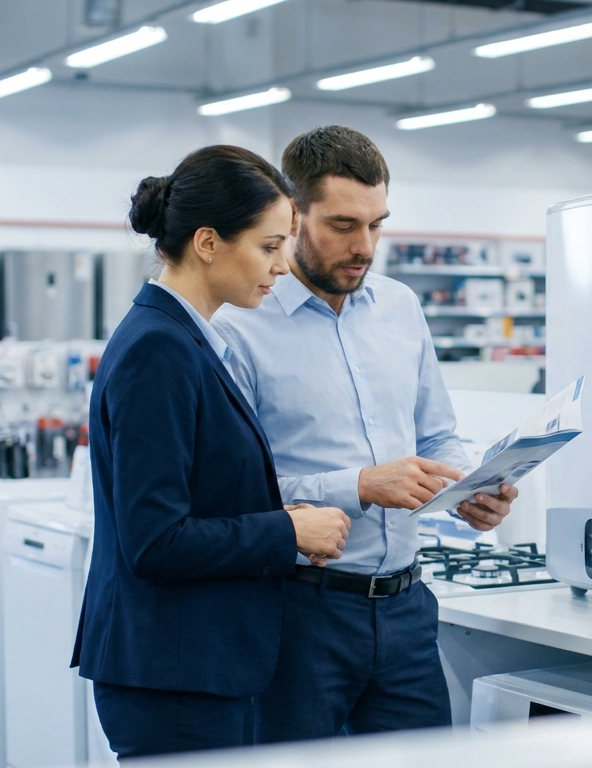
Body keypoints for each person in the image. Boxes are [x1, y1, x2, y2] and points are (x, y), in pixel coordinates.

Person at [213, 126, 517, 741]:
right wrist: (359, 486)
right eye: (344, 226)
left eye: (377, 225)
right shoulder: (237, 325)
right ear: (291, 215)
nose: (365, 246)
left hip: (406, 610)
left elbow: (436, 436)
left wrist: (469, 489)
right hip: (299, 612)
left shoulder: (401, 308)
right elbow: (233, 494)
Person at [73, 145, 352, 758]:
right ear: (207, 242)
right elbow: (156, 540)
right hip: (174, 675)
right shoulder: (159, 350)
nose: (282, 266)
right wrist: (289, 532)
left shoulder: (184, 336)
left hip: (196, 665)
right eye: (269, 245)